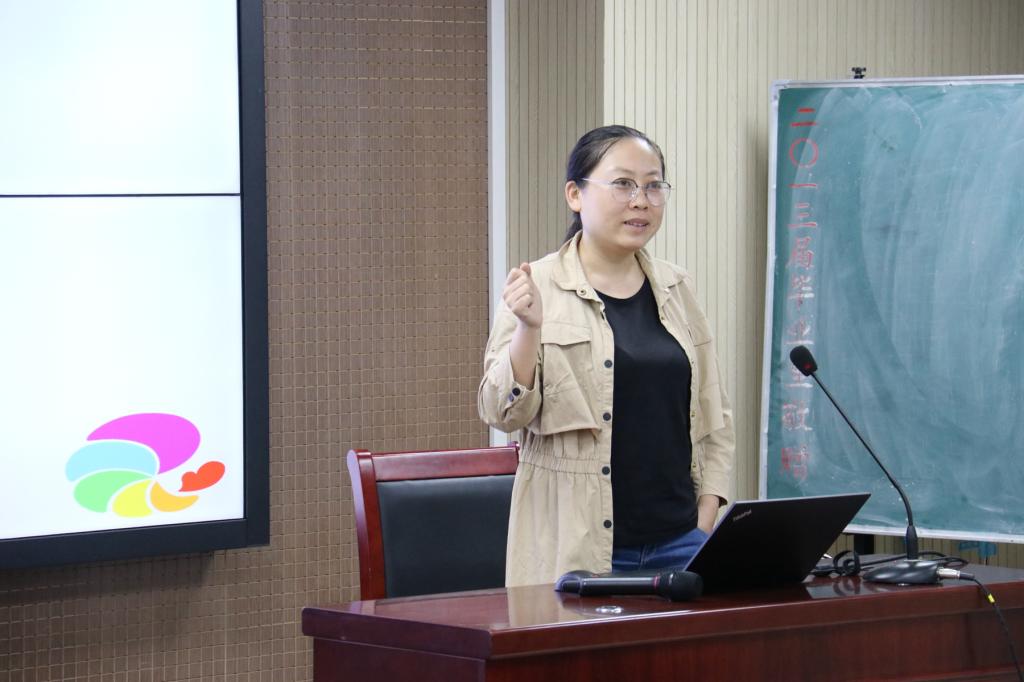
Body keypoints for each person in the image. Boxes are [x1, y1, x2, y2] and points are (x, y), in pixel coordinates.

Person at [478, 125, 735, 587]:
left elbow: (713, 411)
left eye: (653, 186)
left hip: (681, 542)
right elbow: (501, 412)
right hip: (577, 550)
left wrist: (708, 509)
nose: (641, 201)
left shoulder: (677, 287)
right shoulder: (536, 285)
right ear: (575, 195)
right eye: (623, 184)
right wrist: (528, 329)